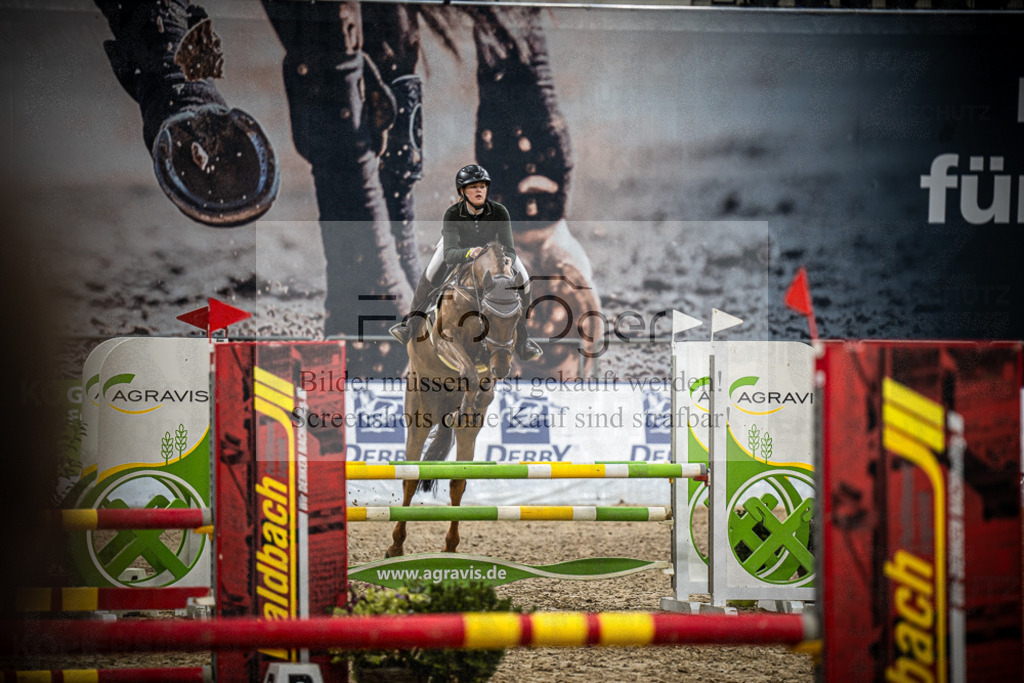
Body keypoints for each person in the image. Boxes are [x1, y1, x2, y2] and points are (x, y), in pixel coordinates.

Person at [389, 165, 543, 363]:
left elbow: (510, 249)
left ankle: (522, 339)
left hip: (493, 253)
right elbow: (450, 254)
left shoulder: (499, 212)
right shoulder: (453, 213)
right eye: (473, 187)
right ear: (462, 191)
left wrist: (508, 260)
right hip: (458, 249)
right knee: (430, 272)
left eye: (482, 186)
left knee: (525, 281)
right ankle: (410, 325)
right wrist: (470, 252)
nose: (479, 190)